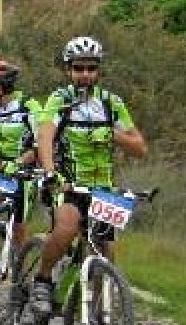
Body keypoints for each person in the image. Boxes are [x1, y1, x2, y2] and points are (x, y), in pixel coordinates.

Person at [30, 36, 147, 318]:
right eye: (79, 68)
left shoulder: (111, 103)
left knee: (105, 254)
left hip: (103, 190)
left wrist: (111, 133)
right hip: (68, 184)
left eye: (90, 68)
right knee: (67, 227)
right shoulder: (61, 100)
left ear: (98, 71)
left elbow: (140, 148)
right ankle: (43, 281)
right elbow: (45, 137)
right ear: (69, 70)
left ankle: (95, 312)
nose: (85, 74)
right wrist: (50, 173)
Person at [0, 60, 39, 250]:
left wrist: (19, 163)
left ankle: (19, 268)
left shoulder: (28, 106)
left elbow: (40, 144)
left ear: (3, 85)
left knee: (19, 222)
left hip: (22, 170)